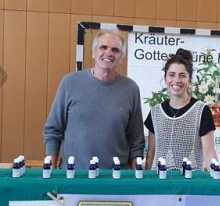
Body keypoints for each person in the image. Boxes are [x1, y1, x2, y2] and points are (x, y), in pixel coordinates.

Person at [43, 29, 145, 170]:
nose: (109, 53)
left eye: (115, 50)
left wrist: (135, 178)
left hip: (116, 178)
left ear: (121, 58)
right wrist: (51, 172)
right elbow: (53, 131)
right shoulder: (69, 83)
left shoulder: (131, 89)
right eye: (103, 47)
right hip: (73, 176)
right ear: (93, 53)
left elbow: (136, 140)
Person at [145, 48, 218, 171]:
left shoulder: (201, 111)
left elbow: (209, 153)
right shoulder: (155, 112)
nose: (176, 80)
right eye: (172, 75)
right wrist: (147, 180)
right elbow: (150, 155)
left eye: (182, 75)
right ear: (165, 78)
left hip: (191, 181)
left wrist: (215, 177)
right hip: (159, 181)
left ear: (190, 80)